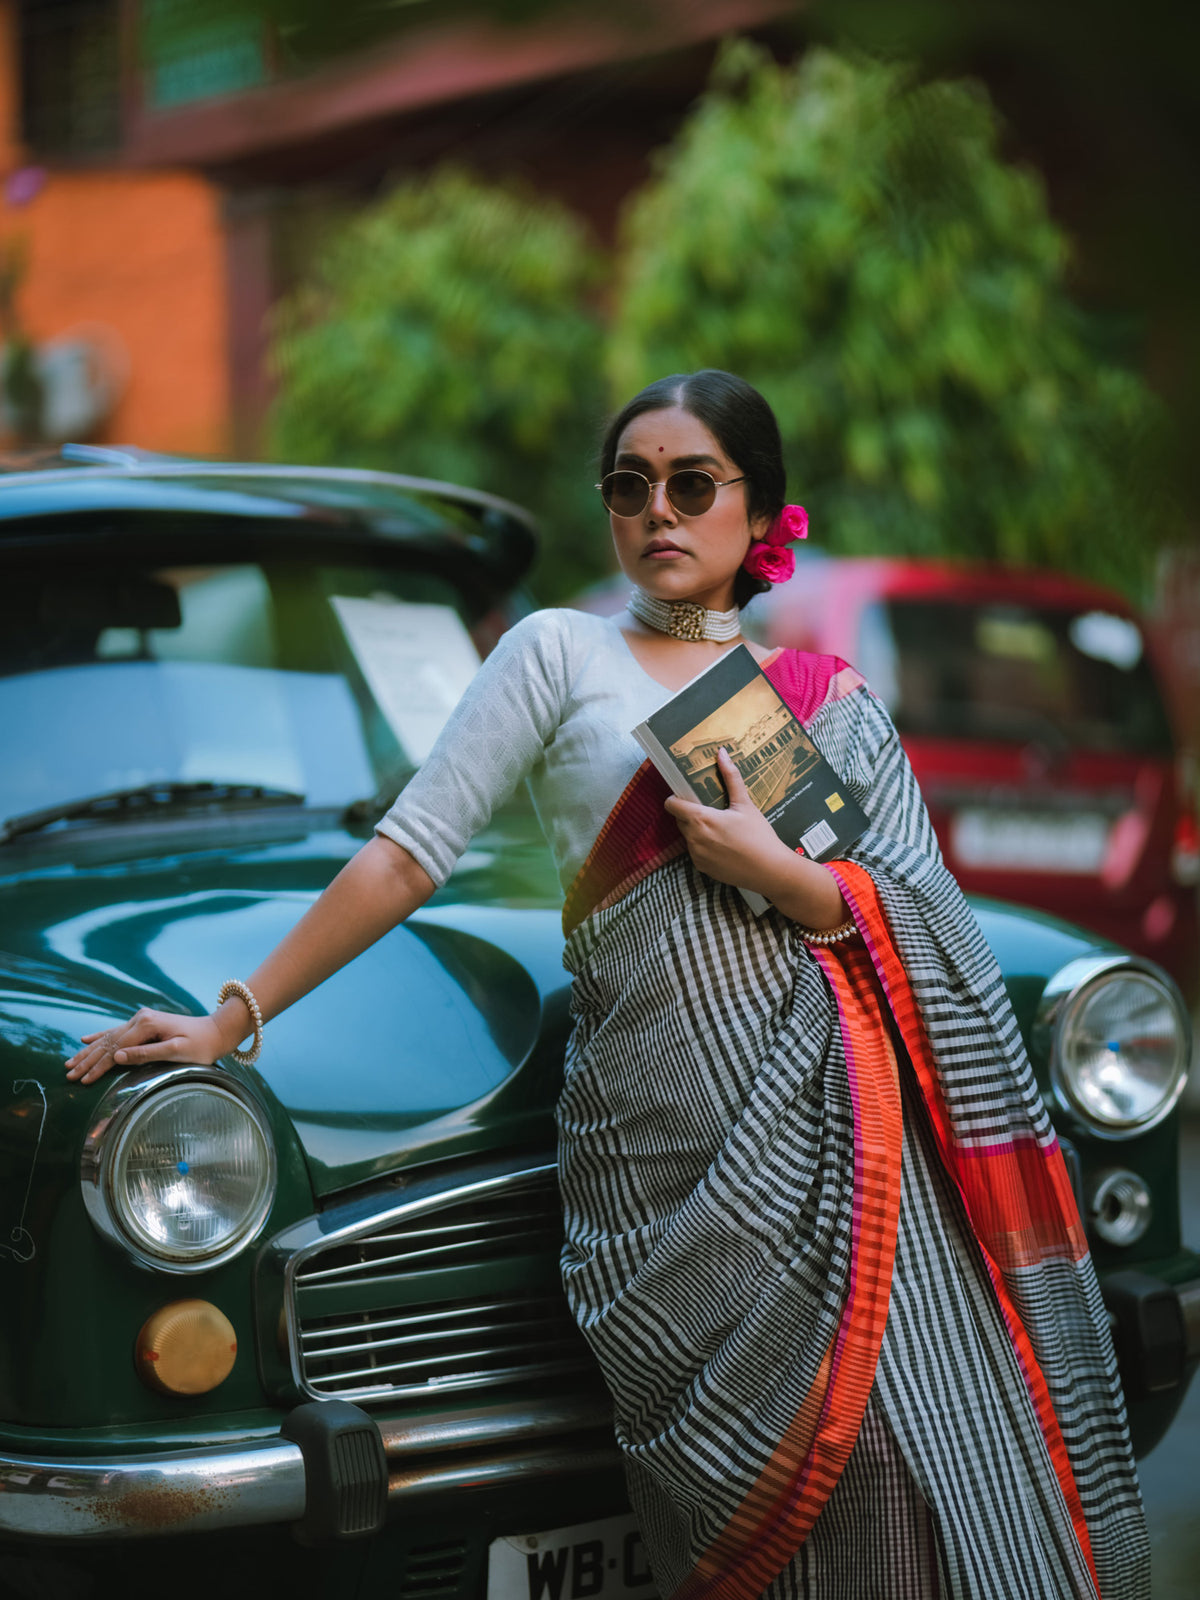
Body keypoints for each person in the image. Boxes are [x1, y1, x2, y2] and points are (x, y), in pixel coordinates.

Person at [66, 371, 1149, 1600]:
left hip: (843, 1160)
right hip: (657, 1159)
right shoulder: (559, 651)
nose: (658, 512)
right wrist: (233, 1015)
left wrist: (783, 877)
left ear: (761, 512)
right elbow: (406, 854)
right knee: (753, 1492)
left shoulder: (822, 701)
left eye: (694, 484)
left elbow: (924, 917)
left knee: (891, 1470)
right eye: (630, 486)